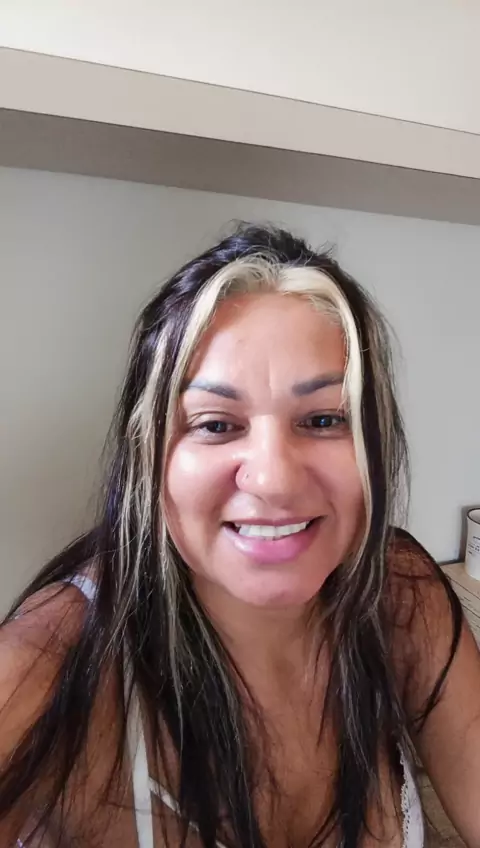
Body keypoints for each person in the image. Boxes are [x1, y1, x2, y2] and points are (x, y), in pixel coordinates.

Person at [0, 223, 479, 848]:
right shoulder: (50, 666)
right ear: (149, 455)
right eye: (216, 425)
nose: (274, 480)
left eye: (324, 419)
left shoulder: (398, 592)